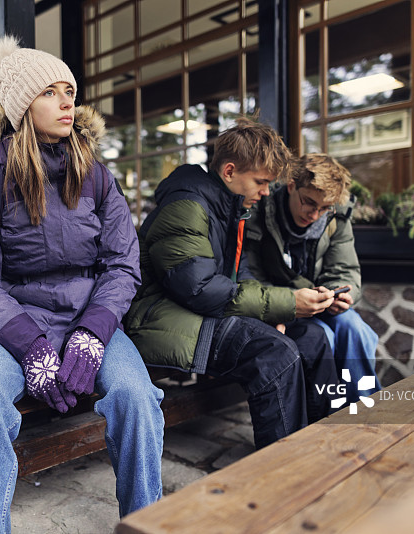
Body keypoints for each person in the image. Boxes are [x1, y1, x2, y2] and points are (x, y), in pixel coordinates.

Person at [0, 36, 164, 533]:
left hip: (91, 320)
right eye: (50, 92)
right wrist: (30, 347)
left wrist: (92, 334)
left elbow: (122, 265)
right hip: (15, 326)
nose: (68, 101)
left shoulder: (96, 177)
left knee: (137, 397)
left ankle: (150, 523)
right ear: (22, 106)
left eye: (69, 90)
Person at [123, 117, 339, 451]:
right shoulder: (187, 206)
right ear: (229, 172)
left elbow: (241, 274)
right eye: (261, 181)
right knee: (275, 354)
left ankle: (322, 445)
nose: (267, 192)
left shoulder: (230, 207)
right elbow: (198, 289)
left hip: (202, 312)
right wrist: (287, 302)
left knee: (313, 337)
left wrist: (274, 312)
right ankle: (283, 470)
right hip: (162, 320)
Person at [244, 153, 380, 403]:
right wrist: (286, 304)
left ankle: (364, 411)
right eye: (308, 203)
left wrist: (339, 293)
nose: (315, 215)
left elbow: (345, 269)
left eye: (324, 208)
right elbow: (250, 276)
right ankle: (325, 416)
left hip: (323, 304)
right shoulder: (260, 211)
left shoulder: (337, 215)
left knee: (355, 329)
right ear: (292, 184)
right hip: (282, 306)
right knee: (321, 339)